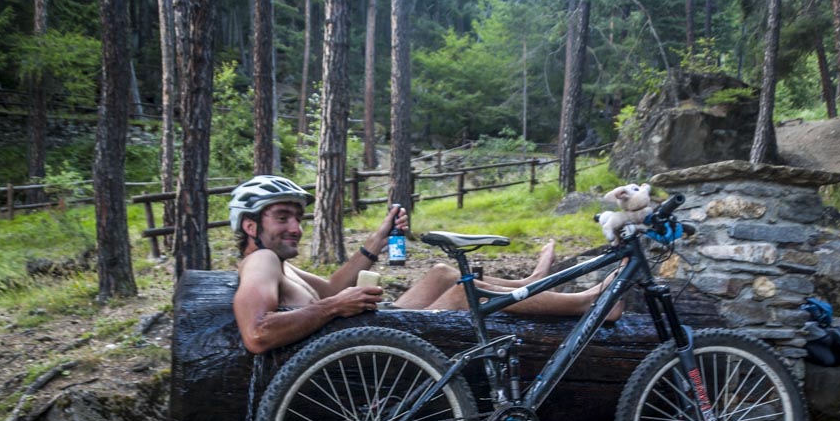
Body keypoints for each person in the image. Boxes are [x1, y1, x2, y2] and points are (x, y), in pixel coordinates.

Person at [231, 175, 619, 354]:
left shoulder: (276, 262)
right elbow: (258, 334)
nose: (295, 228)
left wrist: (375, 242)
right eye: (282, 218)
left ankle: (532, 283)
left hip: (363, 337)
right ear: (250, 225)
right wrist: (335, 307)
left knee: (443, 274)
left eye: (297, 218)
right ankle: (586, 303)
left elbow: (330, 289)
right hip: (359, 357)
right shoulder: (261, 261)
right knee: (460, 296)